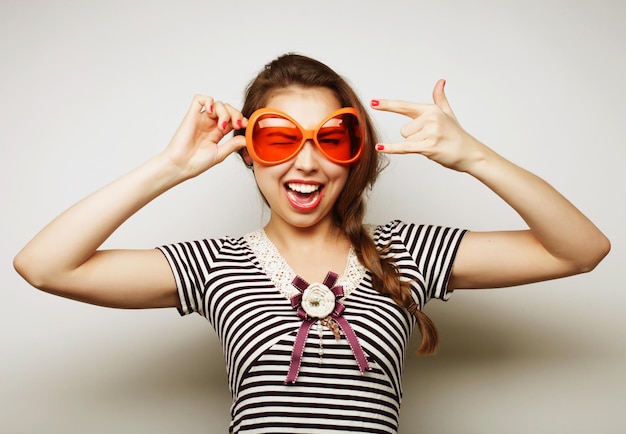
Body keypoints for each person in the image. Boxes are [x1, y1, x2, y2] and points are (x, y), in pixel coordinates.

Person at [13, 53, 610, 433]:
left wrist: (474, 156)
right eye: (278, 140)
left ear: (354, 155)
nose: (307, 163)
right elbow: (44, 266)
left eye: (330, 139)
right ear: (249, 153)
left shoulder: (404, 252)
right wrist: (172, 166)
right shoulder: (213, 264)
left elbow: (580, 250)